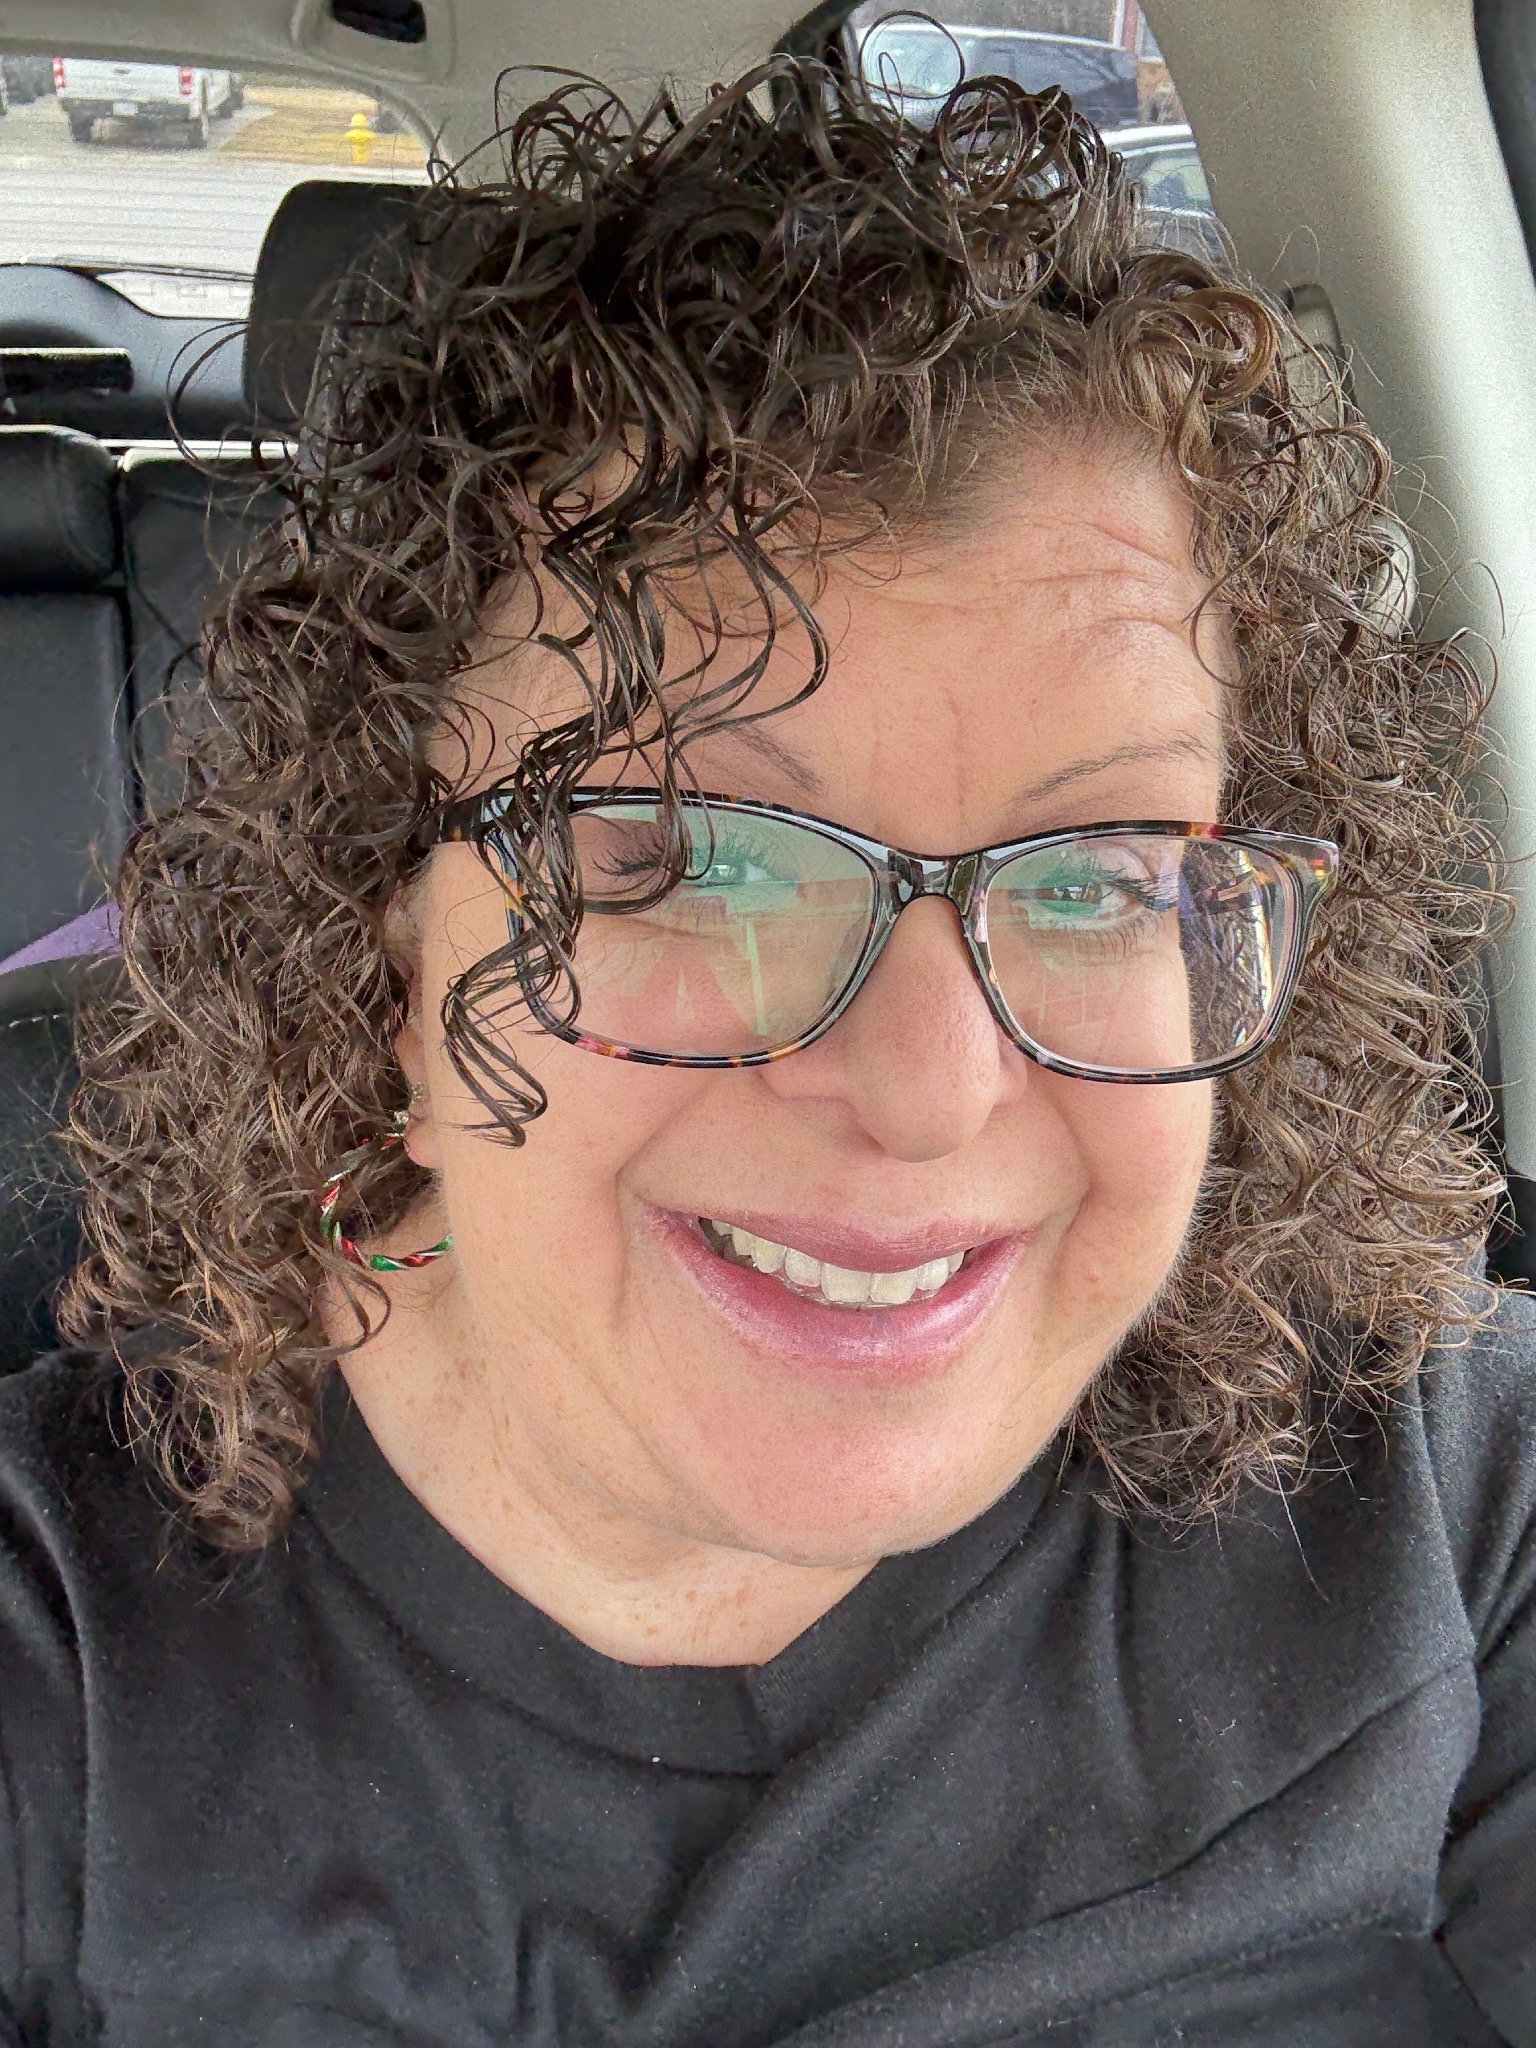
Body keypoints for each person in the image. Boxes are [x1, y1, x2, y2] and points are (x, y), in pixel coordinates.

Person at [1, 51, 1531, 2048]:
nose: (929, 1091)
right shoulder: (63, 1684)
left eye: (1096, 874)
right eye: (691, 856)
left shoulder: (1451, 1518)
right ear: (379, 923)